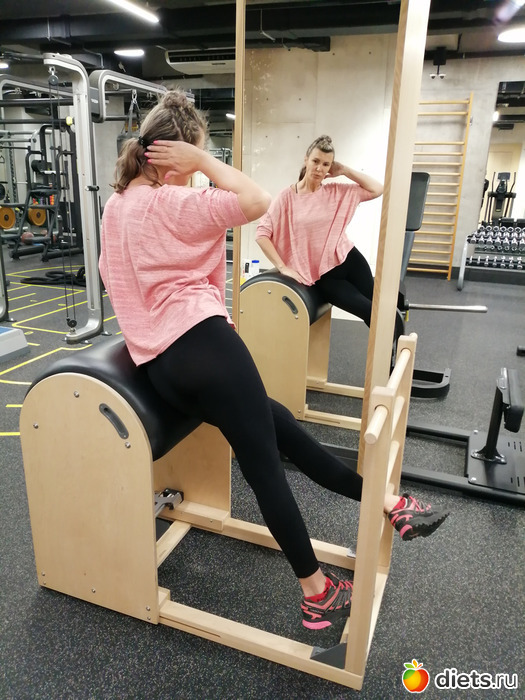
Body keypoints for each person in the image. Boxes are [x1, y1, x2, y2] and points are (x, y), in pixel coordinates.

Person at [99, 92, 448, 632]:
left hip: (162, 368)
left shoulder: (116, 206)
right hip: (204, 346)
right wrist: (204, 161)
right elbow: (257, 200)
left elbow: (114, 279)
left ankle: (386, 501)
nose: (196, 173)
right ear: (175, 156)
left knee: (277, 422)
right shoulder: (173, 202)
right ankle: (316, 591)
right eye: (192, 159)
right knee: (263, 463)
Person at [256, 134, 405, 340]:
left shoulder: (336, 191)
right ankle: (393, 351)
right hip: (324, 277)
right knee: (370, 311)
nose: (319, 168)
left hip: (349, 260)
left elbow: (377, 189)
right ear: (306, 159)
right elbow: (262, 234)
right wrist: (282, 267)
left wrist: (344, 170)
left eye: (326, 164)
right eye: (316, 161)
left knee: (384, 310)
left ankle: (392, 353)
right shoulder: (287, 197)